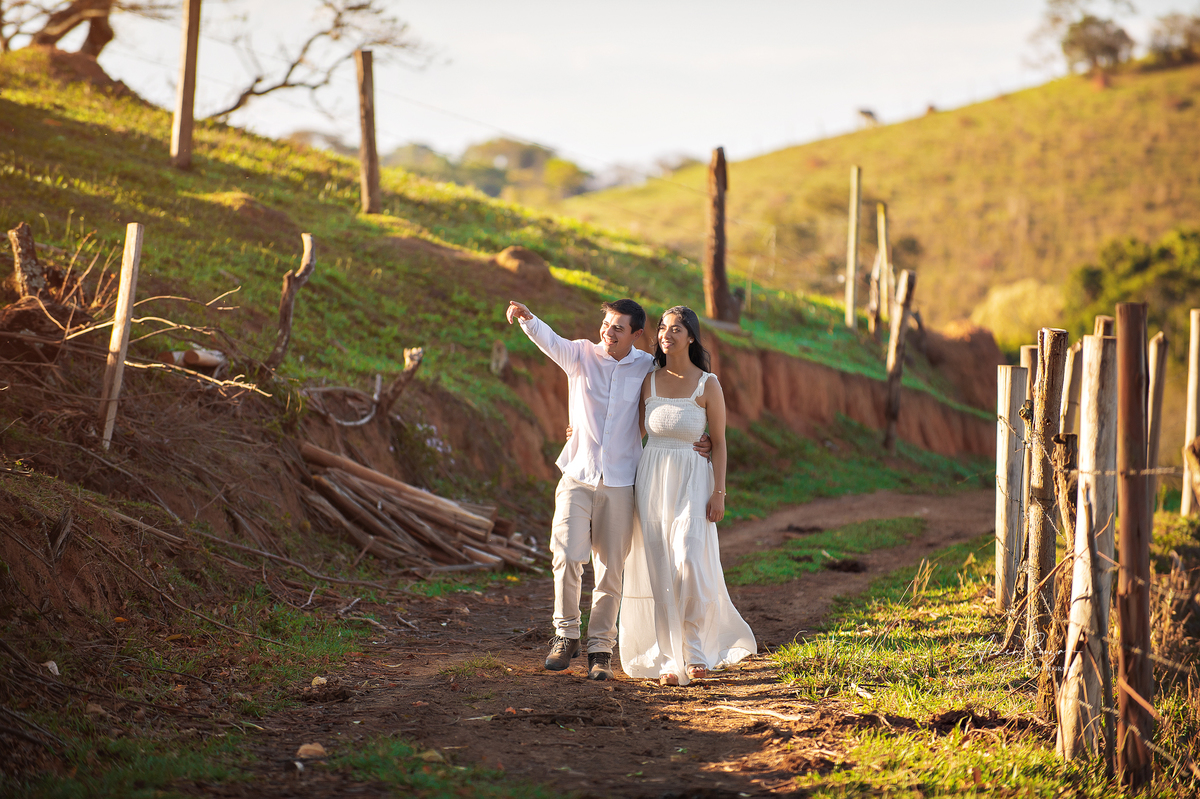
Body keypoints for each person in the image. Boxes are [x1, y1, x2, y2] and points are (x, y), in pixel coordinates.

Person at [507, 297, 709, 681]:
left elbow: (678, 398)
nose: (608, 332)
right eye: (606, 324)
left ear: (636, 334)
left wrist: (705, 438)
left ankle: (600, 648)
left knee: (610, 569)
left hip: (621, 482)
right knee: (566, 555)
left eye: (619, 327)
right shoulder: (581, 355)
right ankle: (565, 634)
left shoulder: (649, 369)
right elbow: (550, 341)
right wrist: (528, 318)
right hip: (577, 476)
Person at [618, 305, 756, 686]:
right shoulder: (649, 380)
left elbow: (722, 443)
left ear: (691, 336)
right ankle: (668, 659)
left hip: (694, 481)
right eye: (663, 328)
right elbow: (626, 432)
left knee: (689, 563)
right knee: (660, 569)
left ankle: (695, 652)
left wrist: (720, 493)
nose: (667, 334)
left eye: (677, 329)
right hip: (652, 481)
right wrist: (577, 432)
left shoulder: (707, 384)